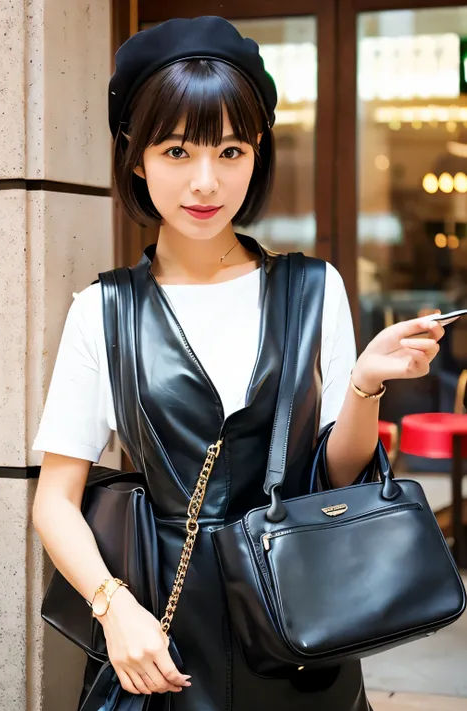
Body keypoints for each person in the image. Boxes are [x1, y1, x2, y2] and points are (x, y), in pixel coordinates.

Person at [31, 16, 445, 711]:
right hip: (158, 641)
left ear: (257, 152)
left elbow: (336, 474)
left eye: (229, 150)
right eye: (175, 151)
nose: (205, 181)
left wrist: (365, 382)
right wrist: (113, 607)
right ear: (136, 158)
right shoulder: (102, 310)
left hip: (302, 633)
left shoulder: (315, 288)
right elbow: (54, 499)